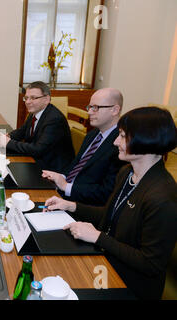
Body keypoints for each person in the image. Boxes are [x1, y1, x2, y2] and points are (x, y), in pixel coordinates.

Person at [44, 106, 177, 300]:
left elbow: (150, 263)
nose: (115, 142)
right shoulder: (127, 173)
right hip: (106, 262)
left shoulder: (162, 196)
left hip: (131, 284)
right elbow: (111, 214)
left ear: (146, 140)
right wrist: (70, 205)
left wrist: (98, 237)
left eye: (122, 136)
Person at [41, 88, 126, 205]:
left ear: (115, 110)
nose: (89, 112)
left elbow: (106, 193)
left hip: (83, 206)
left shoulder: (121, 145)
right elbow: (76, 165)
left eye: (96, 108)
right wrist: (59, 176)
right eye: (89, 107)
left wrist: (66, 187)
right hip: (64, 194)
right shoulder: (93, 134)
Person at [0, 81, 74, 172]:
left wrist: (8, 143)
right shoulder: (35, 111)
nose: (28, 102)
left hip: (53, 169)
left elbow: (38, 149)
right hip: (37, 159)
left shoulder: (54, 119)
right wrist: (8, 136)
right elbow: (22, 131)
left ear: (46, 99)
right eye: (26, 98)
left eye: (33, 98)